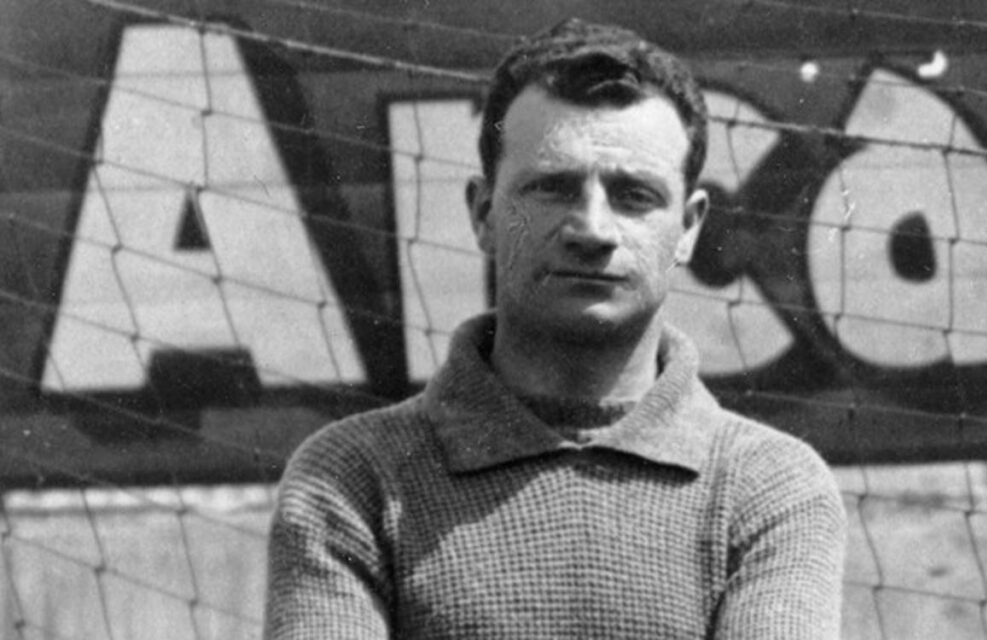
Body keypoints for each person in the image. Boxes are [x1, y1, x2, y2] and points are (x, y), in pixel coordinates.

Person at [264, 18, 846, 639]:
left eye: (634, 195)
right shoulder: (350, 479)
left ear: (689, 227)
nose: (592, 230)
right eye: (551, 189)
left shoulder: (770, 487)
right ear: (484, 213)